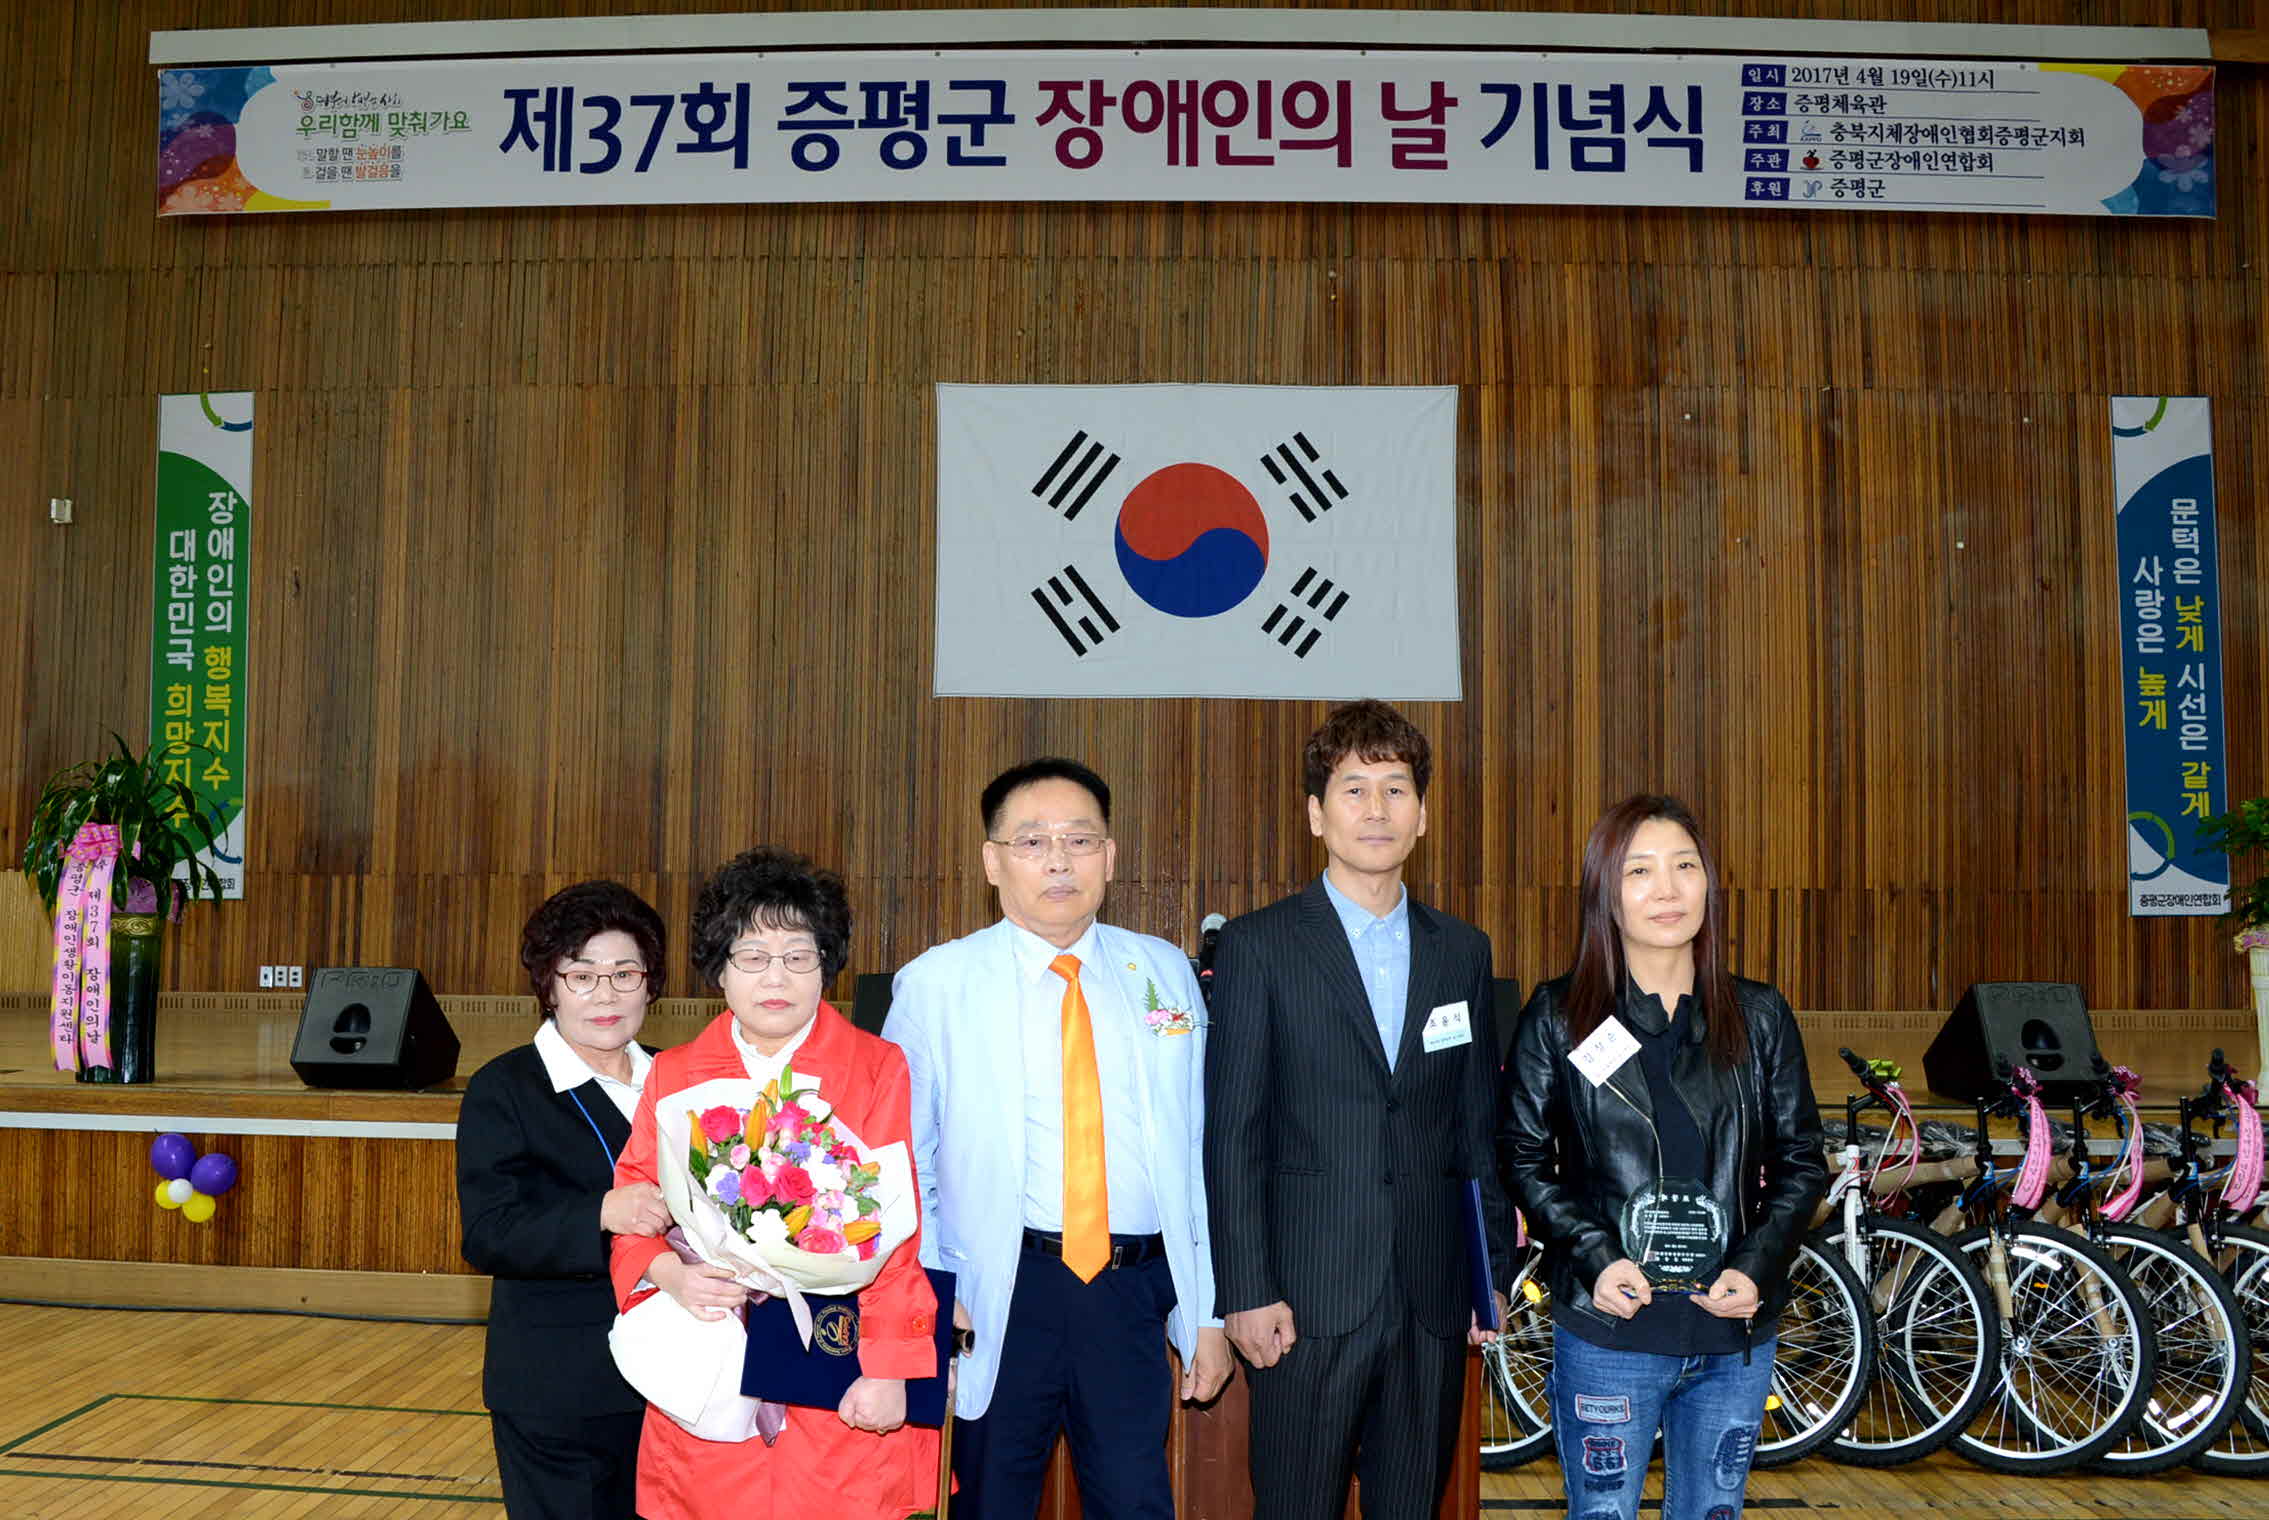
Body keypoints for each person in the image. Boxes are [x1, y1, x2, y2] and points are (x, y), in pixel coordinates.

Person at [885, 757, 1232, 1520]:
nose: (1058, 861)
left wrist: (1206, 1312)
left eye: (1079, 840)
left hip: (1130, 1288)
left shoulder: (1161, 971)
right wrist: (933, 1294)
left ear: (1109, 856)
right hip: (1000, 1290)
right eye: (1032, 841)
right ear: (992, 862)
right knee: (991, 1502)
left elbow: (1196, 1154)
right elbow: (905, 1160)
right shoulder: (935, 984)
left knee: (1135, 1502)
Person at [1205, 699, 1512, 1519]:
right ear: (1316, 814)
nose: (1376, 809)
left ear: (1422, 815)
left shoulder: (1462, 950)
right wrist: (1245, 1288)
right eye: (1353, 789)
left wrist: (1486, 1280)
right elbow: (1232, 1134)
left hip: (1431, 1295)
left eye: (1395, 789)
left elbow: (1474, 1126)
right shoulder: (1258, 946)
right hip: (1302, 1298)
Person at [1498, 795, 1827, 1520]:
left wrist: (1756, 1265)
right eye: (1639, 870)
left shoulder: (1759, 1016)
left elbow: (1803, 1161)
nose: (1668, 889)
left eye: (1685, 866)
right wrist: (1594, 1257)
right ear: (1606, 895)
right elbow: (1521, 1156)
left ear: (1708, 884)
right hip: (1609, 1331)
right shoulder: (1559, 1017)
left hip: (1732, 1335)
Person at [610, 848, 942, 1520]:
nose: (776, 976)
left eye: (798, 956)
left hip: (834, 1355)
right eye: (752, 956)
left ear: (826, 966)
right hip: (712, 1350)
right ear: (720, 970)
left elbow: (895, 1231)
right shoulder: (674, 1073)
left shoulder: (876, 1067)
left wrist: (888, 1366)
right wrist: (671, 1275)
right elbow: (635, 1206)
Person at [457, 880, 675, 1520]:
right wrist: (602, 1213)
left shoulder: (680, 1077)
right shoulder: (505, 1087)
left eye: (625, 974)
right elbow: (490, 1232)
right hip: (561, 1391)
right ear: (549, 986)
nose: (606, 995)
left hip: (680, 1381)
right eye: (582, 976)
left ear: (650, 984)